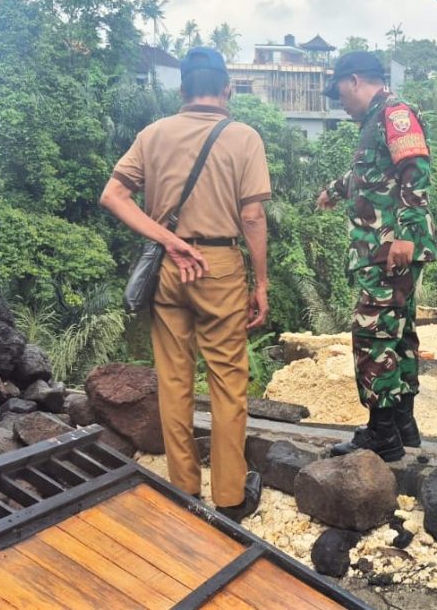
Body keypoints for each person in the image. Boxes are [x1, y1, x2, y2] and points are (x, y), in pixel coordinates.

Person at [100, 47, 269, 522]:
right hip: (218, 266)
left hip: (169, 271)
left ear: (182, 90)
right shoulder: (243, 136)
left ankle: (184, 490)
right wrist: (261, 282)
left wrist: (168, 240)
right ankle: (232, 497)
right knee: (228, 381)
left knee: (174, 381)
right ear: (227, 89)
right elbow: (252, 216)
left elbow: (113, 195)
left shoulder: (153, 134)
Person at [317, 51, 437, 463]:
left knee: (372, 334)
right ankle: (404, 426)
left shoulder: (395, 113)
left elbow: (415, 168)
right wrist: (333, 191)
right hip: (381, 248)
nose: (340, 103)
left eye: (339, 94)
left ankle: (381, 434)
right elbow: (369, 174)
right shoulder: (372, 121)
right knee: (396, 334)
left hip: (390, 247)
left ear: (354, 80)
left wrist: (405, 234)